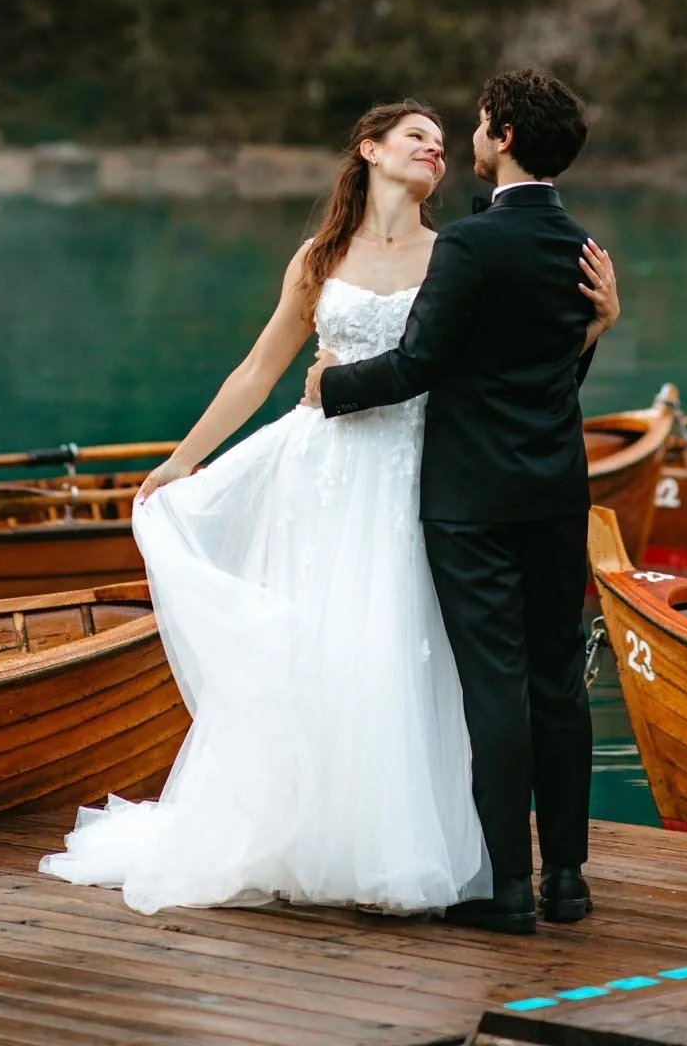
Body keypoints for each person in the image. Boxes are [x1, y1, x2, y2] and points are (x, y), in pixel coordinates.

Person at [40, 95, 618, 918]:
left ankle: (441, 855)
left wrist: (592, 330)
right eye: (417, 136)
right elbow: (256, 370)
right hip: (325, 474)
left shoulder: (455, 251)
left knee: (420, 661)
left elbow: (500, 362)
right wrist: (181, 458)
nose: (437, 150)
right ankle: (324, 836)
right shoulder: (319, 256)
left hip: (425, 472)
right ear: (370, 148)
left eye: (447, 141)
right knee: (327, 649)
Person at [304, 68, 606, 936]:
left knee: (494, 687)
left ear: (503, 137)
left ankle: (509, 890)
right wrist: (598, 332)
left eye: (478, 124)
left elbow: (419, 366)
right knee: (559, 683)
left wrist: (330, 388)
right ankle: (570, 883)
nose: (470, 137)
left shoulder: (467, 246)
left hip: (471, 499)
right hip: (554, 493)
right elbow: (555, 372)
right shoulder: (580, 246)